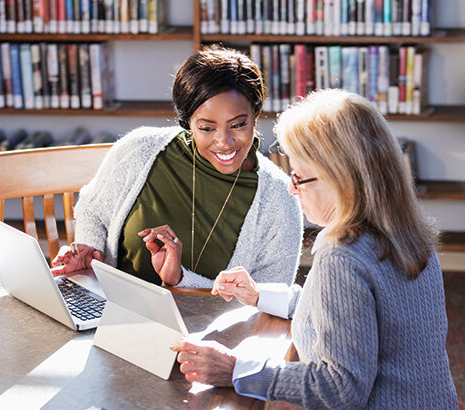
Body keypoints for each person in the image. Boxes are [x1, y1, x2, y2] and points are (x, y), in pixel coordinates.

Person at [172, 89, 458, 409]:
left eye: (298, 176)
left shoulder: (344, 255)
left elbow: (339, 387)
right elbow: (346, 316)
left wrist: (236, 370)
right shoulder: (404, 230)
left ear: (339, 179)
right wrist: (258, 295)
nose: (292, 190)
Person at [51, 47, 303, 288]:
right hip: (113, 316)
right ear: (187, 122)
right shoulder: (139, 149)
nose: (224, 142)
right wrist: (89, 253)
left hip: (202, 333)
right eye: (207, 128)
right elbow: (93, 211)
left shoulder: (281, 200)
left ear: (255, 115)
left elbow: (267, 305)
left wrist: (180, 281)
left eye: (238, 125)